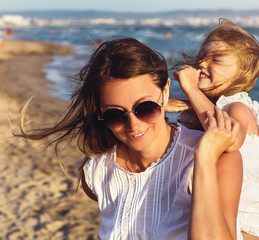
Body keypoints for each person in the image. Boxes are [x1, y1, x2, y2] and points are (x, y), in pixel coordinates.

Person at [16, 37, 243, 239]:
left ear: (165, 93)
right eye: (116, 114)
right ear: (101, 112)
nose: (133, 126)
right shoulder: (97, 175)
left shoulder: (218, 160)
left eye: (145, 108)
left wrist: (203, 158)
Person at [166, 19, 259, 240]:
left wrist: (191, 88)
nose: (202, 63)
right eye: (202, 56)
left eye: (216, 60)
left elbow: (229, 138)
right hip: (213, 215)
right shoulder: (205, 108)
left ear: (242, 72)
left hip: (249, 223)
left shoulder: (239, 106)